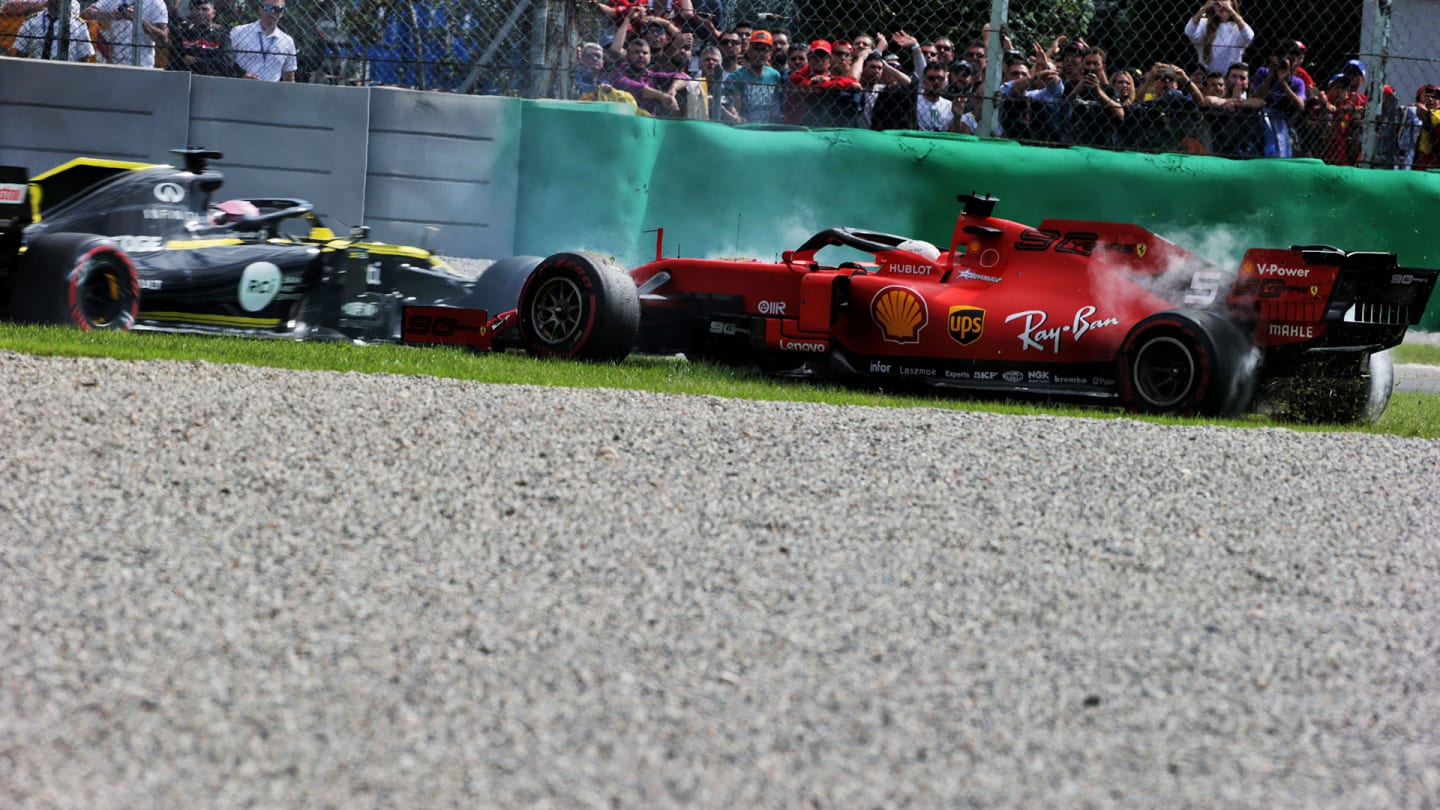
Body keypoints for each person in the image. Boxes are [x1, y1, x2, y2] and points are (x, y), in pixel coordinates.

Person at [608, 36, 688, 117]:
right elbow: (634, 87)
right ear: (627, 55)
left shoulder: (651, 76)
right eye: (636, 52)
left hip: (646, 122)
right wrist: (662, 96)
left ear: (650, 57)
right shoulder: (619, 72)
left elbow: (683, 77)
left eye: (645, 53)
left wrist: (673, 89)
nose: (641, 56)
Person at [1251, 47, 1306, 157]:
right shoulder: (1263, 72)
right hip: (1260, 119)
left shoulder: (1297, 82)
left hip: (1284, 122)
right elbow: (1256, 96)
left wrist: (1283, 82)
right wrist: (1271, 73)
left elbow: (1300, 105)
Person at [720, 29, 782, 124]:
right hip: (744, 127)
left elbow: (774, 107)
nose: (759, 54)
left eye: (764, 50)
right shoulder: (736, 77)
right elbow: (736, 109)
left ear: (770, 54)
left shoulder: (774, 75)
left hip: (768, 127)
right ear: (748, 51)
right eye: (756, 49)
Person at [82, 0, 167, 67]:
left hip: (143, 64)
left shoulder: (155, 2)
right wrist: (114, 15)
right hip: (114, 63)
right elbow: (86, 13)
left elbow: (163, 39)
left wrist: (138, 19)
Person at [1184, 0, 1253, 76]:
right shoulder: (1204, 25)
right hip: (1208, 77)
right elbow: (1188, 31)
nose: (1221, 5)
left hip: (1230, 77)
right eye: (1217, 3)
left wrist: (1232, 11)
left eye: (1225, 1)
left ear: (1232, 4)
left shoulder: (1237, 28)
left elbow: (1249, 36)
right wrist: (1204, 9)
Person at [229, 0, 293, 80]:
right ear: (260, 9)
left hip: (271, 91)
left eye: (277, 9)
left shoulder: (287, 41)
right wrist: (241, 74)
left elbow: (289, 75)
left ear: (282, 13)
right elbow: (227, 62)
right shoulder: (239, 32)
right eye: (267, 8)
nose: (272, 12)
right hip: (241, 87)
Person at [11, 0, 95, 61]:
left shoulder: (78, 25)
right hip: (36, 71)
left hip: (67, 73)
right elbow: (21, 53)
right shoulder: (32, 21)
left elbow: (84, 57)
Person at [168, 0, 234, 75]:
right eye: (196, 9)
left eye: (205, 9)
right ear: (192, 12)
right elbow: (175, 59)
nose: (200, 13)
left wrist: (196, 60)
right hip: (184, 77)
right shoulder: (183, 33)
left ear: (213, 13)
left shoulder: (221, 35)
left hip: (212, 77)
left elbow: (226, 62)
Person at [916, 64, 953, 131]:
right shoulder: (914, 102)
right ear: (924, 81)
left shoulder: (949, 105)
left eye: (940, 78)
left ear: (945, 82)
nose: (936, 82)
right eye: (931, 78)